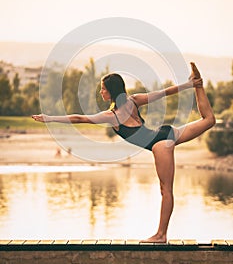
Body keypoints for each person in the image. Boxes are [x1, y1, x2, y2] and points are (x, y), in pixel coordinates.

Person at [32, 62, 215, 243]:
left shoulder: (112, 116)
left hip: (160, 144)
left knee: (166, 190)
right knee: (209, 120)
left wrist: (49, 118)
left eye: (103, 89)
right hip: (166, 132)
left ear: (111, 91)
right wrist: (189, 85)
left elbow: (79, 118)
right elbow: (164, 93)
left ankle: (161, 235)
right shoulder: (134, 100)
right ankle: (198, 84)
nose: (101, 92)